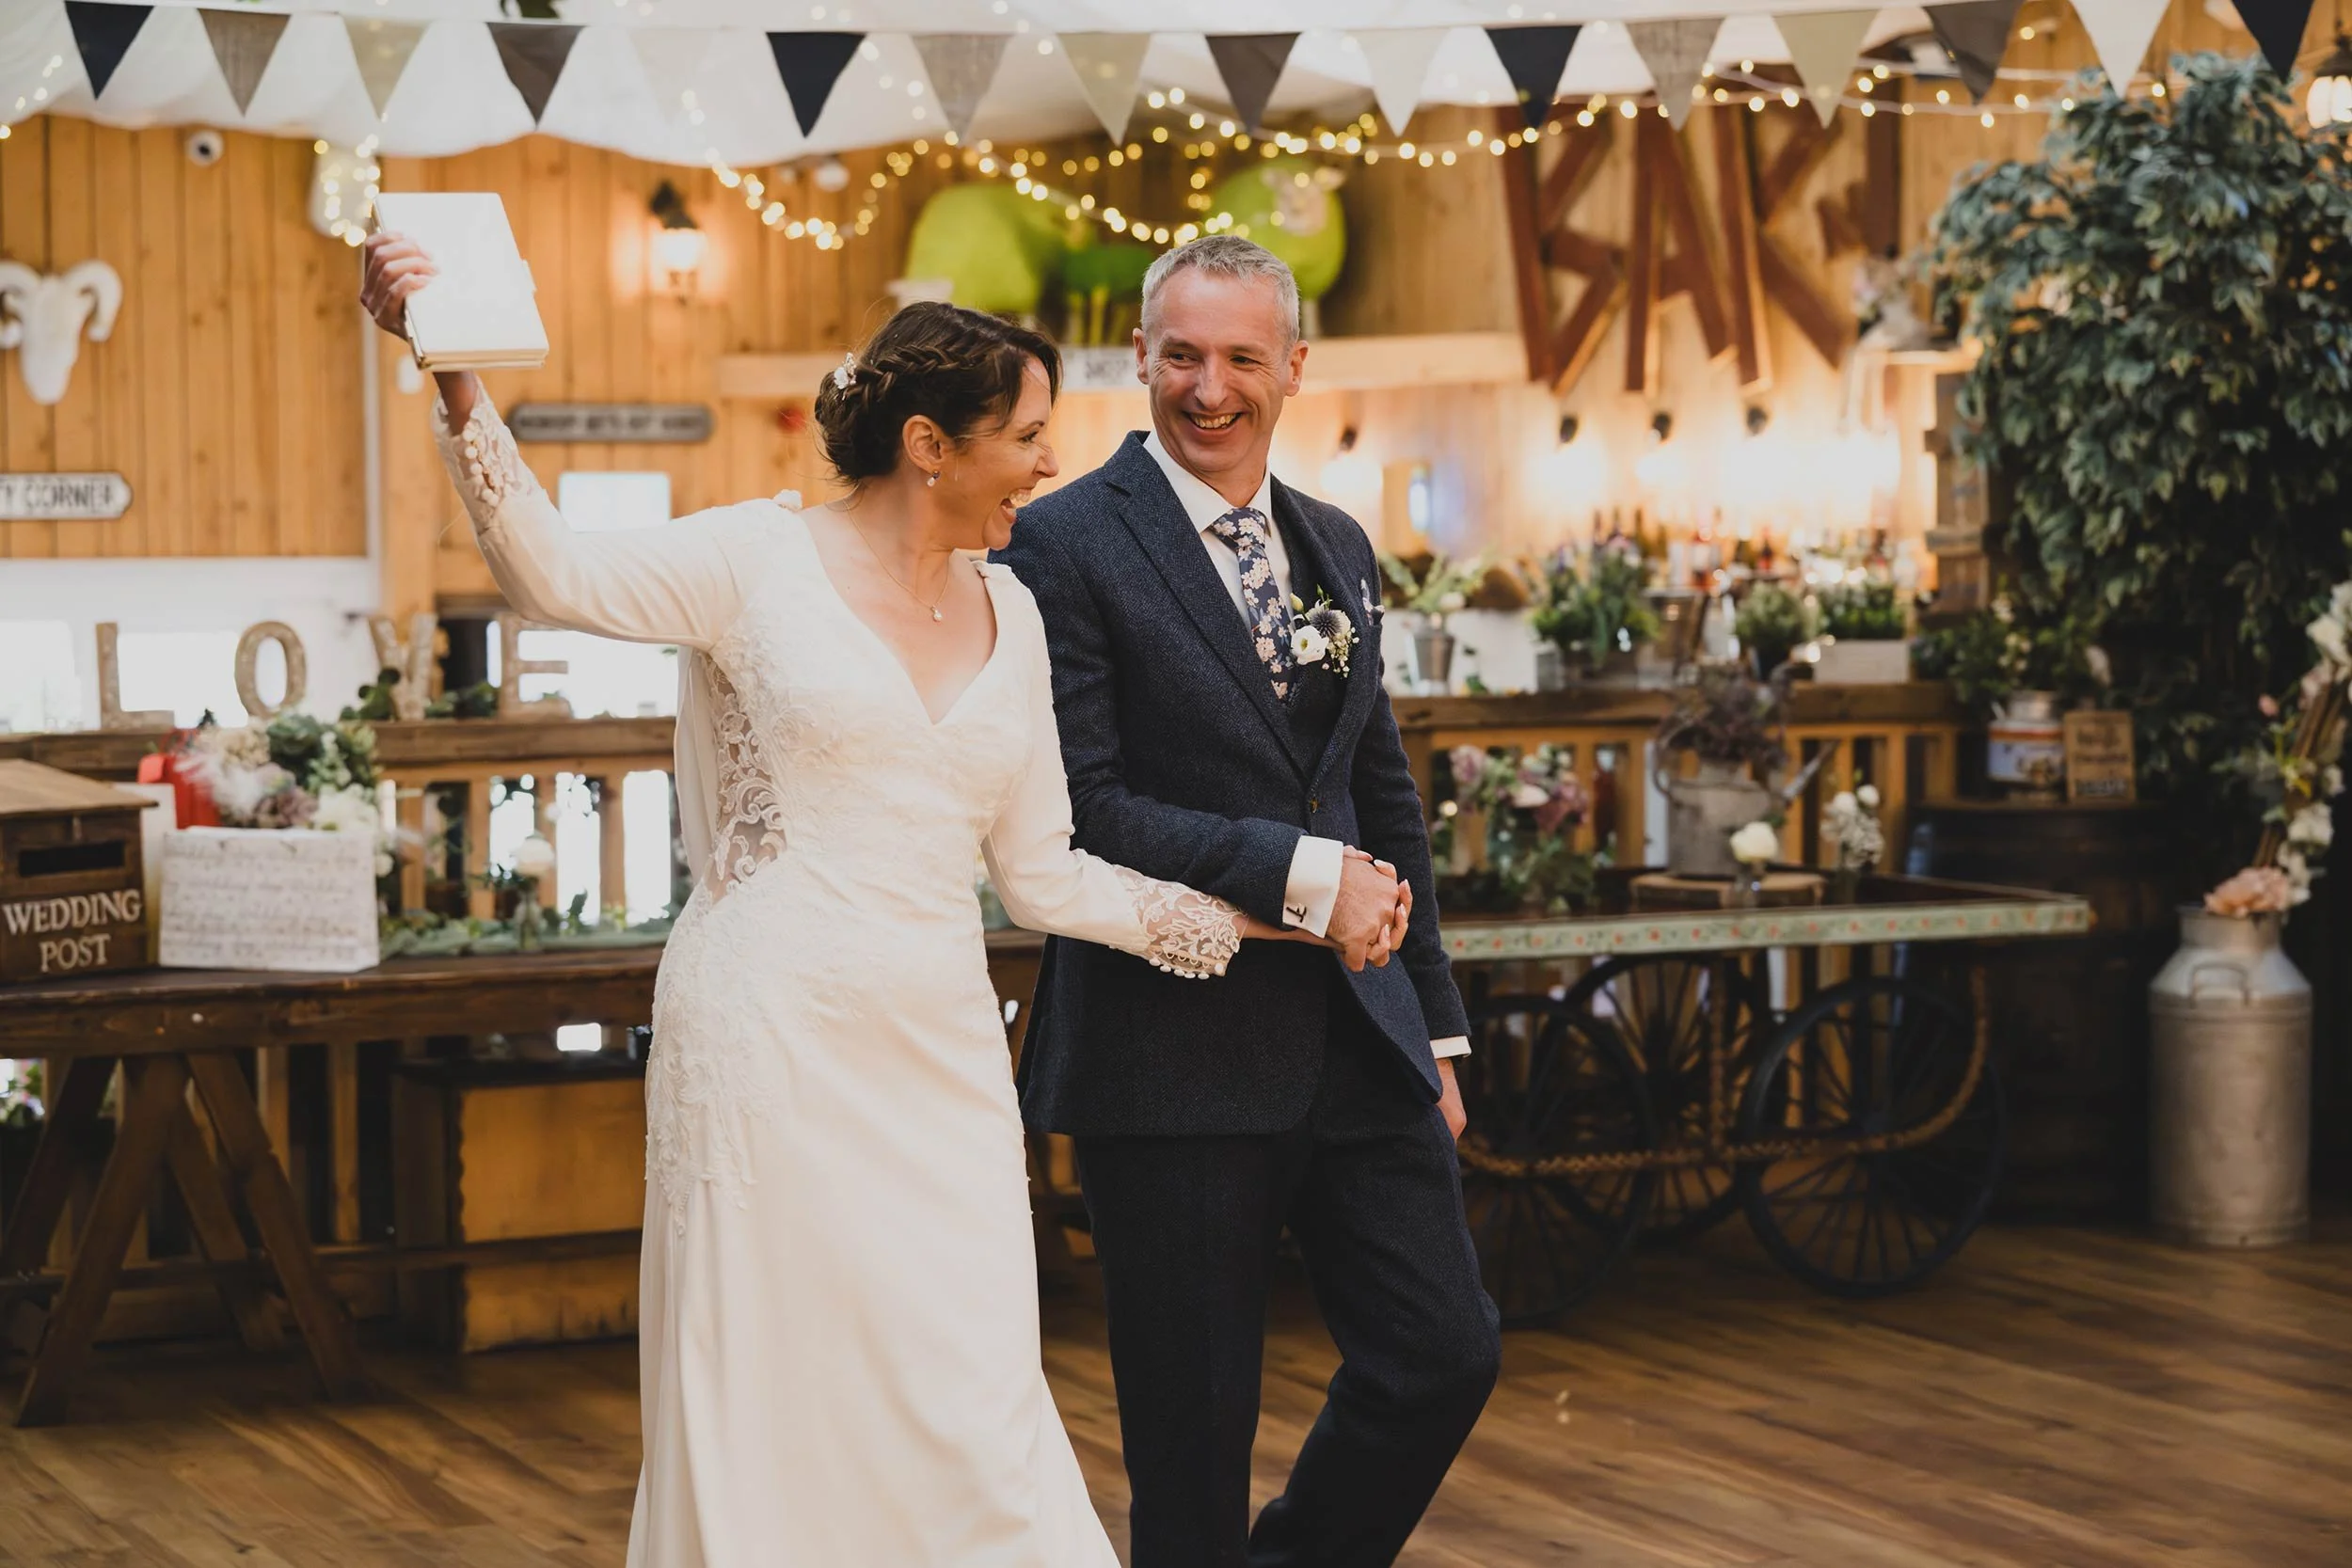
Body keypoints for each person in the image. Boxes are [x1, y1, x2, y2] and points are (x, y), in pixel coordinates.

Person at [358, 233, 1411, 1566]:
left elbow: (1045, 873)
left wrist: (1268, 919)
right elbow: (552, 574)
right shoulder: (754, 559)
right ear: (931, 442)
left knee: (965, 1377)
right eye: (1026, 435)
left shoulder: (1014, 614)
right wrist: (457, 385)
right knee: (783, 1375)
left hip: (942, 1049)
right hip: (768, 1036)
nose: (1048, 462)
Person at [996, 235, 1502, 1568]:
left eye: (1236, 358)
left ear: (1291, 367)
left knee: (1444, 1354)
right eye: (1179, 355)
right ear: (1141, 360)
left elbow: (1379, 797)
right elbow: (1086, 804)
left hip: (1361, 1034)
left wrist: (1437, 1030)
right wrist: (1298, 871)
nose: (1206, 387)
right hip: (1170, 1062)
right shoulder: (1056, 544)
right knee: (1192, 1456)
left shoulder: (1335, 541)